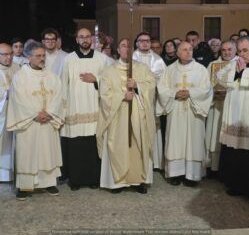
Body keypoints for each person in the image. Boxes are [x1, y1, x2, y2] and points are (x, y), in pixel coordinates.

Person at [97, 38, 156, 194]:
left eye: (129, 46)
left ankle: (138, 180)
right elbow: (104, 94)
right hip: (117, 116)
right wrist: (122, 95)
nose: (126, 49)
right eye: (123, 46)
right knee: (118, 143)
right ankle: (117, 182)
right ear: (118, 50)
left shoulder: (143, 69)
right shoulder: (109, 71)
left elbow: (151, 86)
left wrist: (137, 87)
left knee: (138, 143)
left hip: (138, 114)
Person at [6, 42, 64, 200]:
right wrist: (35, 114)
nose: (42, 58)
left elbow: (59, 96)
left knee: (48, 152)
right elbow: (18, 99)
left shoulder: (52, 76)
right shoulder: (20, 76)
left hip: (48, 121)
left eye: (43, 55)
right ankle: (25, 186)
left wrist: (50, 113)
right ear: (28, 57)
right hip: (29, 123)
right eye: (38, 56)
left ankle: (49, 183)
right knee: (28, 154)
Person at [157, 42, 213, 186]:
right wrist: (174, 94)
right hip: (175, 110)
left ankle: (192, 175)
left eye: (190, 49)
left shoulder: (201, 70)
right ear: (178, 53)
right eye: (184, 50)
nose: (188, 52)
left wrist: (190, 93)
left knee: (193, 141)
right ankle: (176, 173)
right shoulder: (169, 70)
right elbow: (162, 89)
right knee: (175, 140)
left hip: (194, 111)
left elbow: (206, 89)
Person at [60, 28, 108, 191]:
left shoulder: (102, 59)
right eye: (81, 37)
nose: (84, 39)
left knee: (92, 144)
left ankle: (94, 178)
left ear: (92, 39)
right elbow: (62, 84)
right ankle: (76, 180)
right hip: (74, 108)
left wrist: (97, 80)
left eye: (87, 37)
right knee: (76, 145)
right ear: (77, 40)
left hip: (95, 107)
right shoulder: (68, 59)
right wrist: (64, 108)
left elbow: (110, 82)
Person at [217, 36, 249, 202]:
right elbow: (220, 77)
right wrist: (236, 71)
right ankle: (237, 185)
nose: (242, 54)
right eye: (240, 50)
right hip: (235, 118)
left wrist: (243, 72)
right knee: (236, 154)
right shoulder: (235, 63)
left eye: (245, 50)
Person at [133, 32, 166, 170]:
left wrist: (147, 83)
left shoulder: (158, 60)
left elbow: (163, 81)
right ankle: (135, 160)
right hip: (134, 99)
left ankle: (154, 161)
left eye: (147, 40)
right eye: (142, 41)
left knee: (152, 127)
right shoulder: (131, 58)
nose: (145, 43)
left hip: (151, 100)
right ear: (137, 43)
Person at [205, 40, 237, 176]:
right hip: (216, 105)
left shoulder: (240, 65)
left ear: (235, 50)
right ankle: (213, 167)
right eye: (224, 50)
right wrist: (213, 94)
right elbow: (205, 85)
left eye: (230, 49)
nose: (226, 52)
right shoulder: (213, 65)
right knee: (214, 136)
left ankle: (228, 169)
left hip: (232, 107)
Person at [0, 44, 19, 182]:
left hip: (15, 113)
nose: (9, 57)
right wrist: (5, 94)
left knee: (12, 144)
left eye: (10, 53)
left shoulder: (16, 68)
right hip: (2, 114)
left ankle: (11, 173)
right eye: (5, 54)